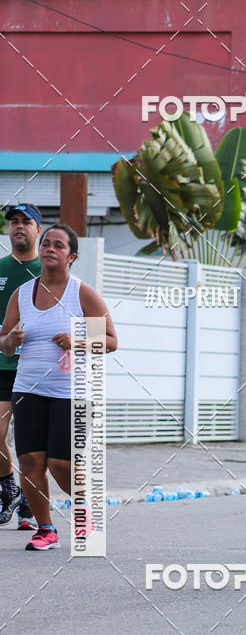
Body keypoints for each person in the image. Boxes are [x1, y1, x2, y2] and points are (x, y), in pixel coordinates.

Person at [0, 223, 118, 550]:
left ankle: (84, 514)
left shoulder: (81, 293)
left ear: (71, 256)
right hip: (27, 388)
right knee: (30, 462)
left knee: (61, 463)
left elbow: (110, 341)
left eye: (58, 245)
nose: (50, 248)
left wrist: (78, 341)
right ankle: (45, 529)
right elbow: (4, 343)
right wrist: (8, 340)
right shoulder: (22, 294)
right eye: (47, 243)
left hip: (72, 391)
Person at [0, 204, 43, 529]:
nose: (19, 226)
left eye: (26, 222)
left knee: (32, 444)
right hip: (3, 362)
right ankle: (10, 489)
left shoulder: (49, 269)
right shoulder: (0, 269)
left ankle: (30, 504)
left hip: (37, 368)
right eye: (13, 222)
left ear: (37, 229)